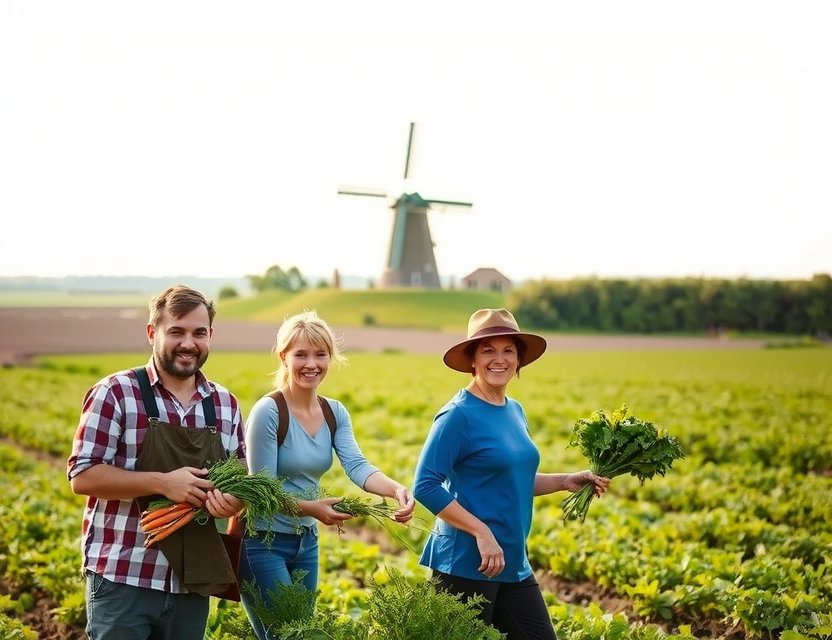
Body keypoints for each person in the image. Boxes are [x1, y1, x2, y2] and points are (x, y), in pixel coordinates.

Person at [413, 308, 611, 640]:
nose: (499, 359)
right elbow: (425, 486)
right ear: (472, 360)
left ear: (519, 360)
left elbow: (509, 480)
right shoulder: (457, 416)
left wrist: (564, 480)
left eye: (508, 350)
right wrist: (481, 532)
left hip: (511, 559)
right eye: (488, 350)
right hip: (465, 562)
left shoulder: (514, 410)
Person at [67, 285, 247, 640]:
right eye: (176, 331)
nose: (188, 343)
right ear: (153, 332)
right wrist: (164, 483)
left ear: (210, 336)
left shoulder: (225, 404)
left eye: (199, 333)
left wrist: (231, 502)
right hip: (123, 578)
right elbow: (83, 476)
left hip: (191, 584)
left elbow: (240, 479)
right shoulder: (116, 392)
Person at [238, 310, 415, 640]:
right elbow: (262, 492)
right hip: (264, 544)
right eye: (301, 354)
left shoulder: (335, 412)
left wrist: (395, 489)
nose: (311, 364)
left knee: (303, 634)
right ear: (283, 357)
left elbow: (357, 465)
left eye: (320, 354)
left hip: (306, 544)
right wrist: (312, 509)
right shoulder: (269, 412)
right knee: (287, 637)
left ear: (330, 358)